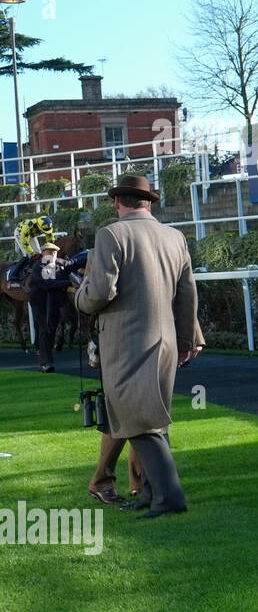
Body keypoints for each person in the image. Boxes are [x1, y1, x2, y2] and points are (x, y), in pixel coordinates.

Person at [75, 175, 202, 520]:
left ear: (118, 202)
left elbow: (100, 292)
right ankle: (148, 494)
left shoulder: (111, 234)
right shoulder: (175, 237)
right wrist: (189, 340)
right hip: (167, 343)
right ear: (148, 202)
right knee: (151, 415)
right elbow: (188, 292)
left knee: (141, 421)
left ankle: (170, 498)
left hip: (125, 343)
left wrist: (79, 297)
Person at [27, 241, 83, 372]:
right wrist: (70, 282)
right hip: (40, 303)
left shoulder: (58, 262)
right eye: (49, 251)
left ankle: (46, 358)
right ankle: (45, 363)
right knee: (45, 329)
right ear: (43, 253)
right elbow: (49, 284)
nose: (52, 254)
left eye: (54, 251)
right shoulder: (39, 267)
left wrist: (90, 255)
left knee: (51, 329)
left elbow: (73, 263)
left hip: (54, 302)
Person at [6, 214, 57, 287]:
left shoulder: (46, 226)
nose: (44, 232)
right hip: (20, 233)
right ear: (38, 226)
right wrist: (33, 254)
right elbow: (25, 243)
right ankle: (13, 275)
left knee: (39, 253)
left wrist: (51, 248)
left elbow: (50, 237)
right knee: (28, 255)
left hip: (31, 235)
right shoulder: (27, 227)